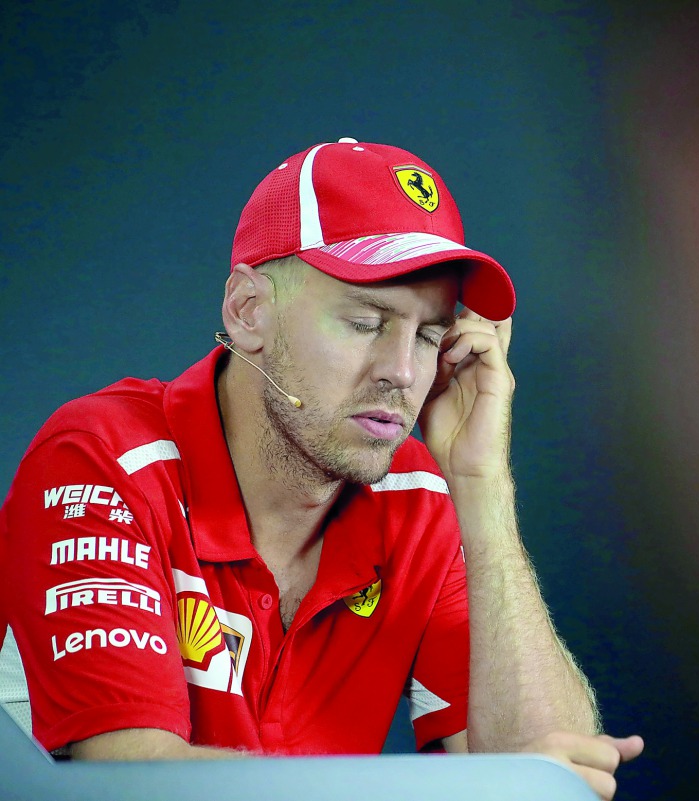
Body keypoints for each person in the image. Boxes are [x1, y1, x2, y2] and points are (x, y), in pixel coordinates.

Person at [0, 138, 642, 799]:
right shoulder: (103, 458)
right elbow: (140, 784)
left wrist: (482, 488)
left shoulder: (418, 494)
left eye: (429, 335)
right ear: (248, 312)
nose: (403, 371)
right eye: (367, 321)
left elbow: (553, 781)